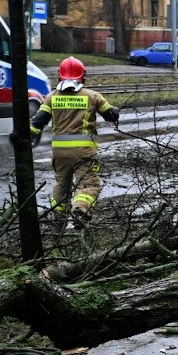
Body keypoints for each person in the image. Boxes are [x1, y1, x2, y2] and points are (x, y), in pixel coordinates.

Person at [29, 56, 120, 230]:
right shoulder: (92, 96)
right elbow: (111, 115)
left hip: (60, 153)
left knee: (61, 185)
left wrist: (24, 137)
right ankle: (80, 211)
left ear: (59, 76)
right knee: (88, 184)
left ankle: (58, 222)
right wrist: (115, 111)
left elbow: (37, 123)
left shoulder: (51, 97)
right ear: (82, 76)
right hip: (84, 152)